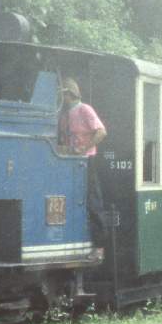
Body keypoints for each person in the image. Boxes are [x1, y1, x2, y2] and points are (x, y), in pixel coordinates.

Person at [58, 77, 107, 252]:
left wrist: (84, 148)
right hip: (70, 162)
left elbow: (101, 132)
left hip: (86, 161)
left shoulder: (85, 109)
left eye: (62, 95)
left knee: (93, 201)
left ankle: (99, 245)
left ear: (69, 94)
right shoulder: (64, 115)